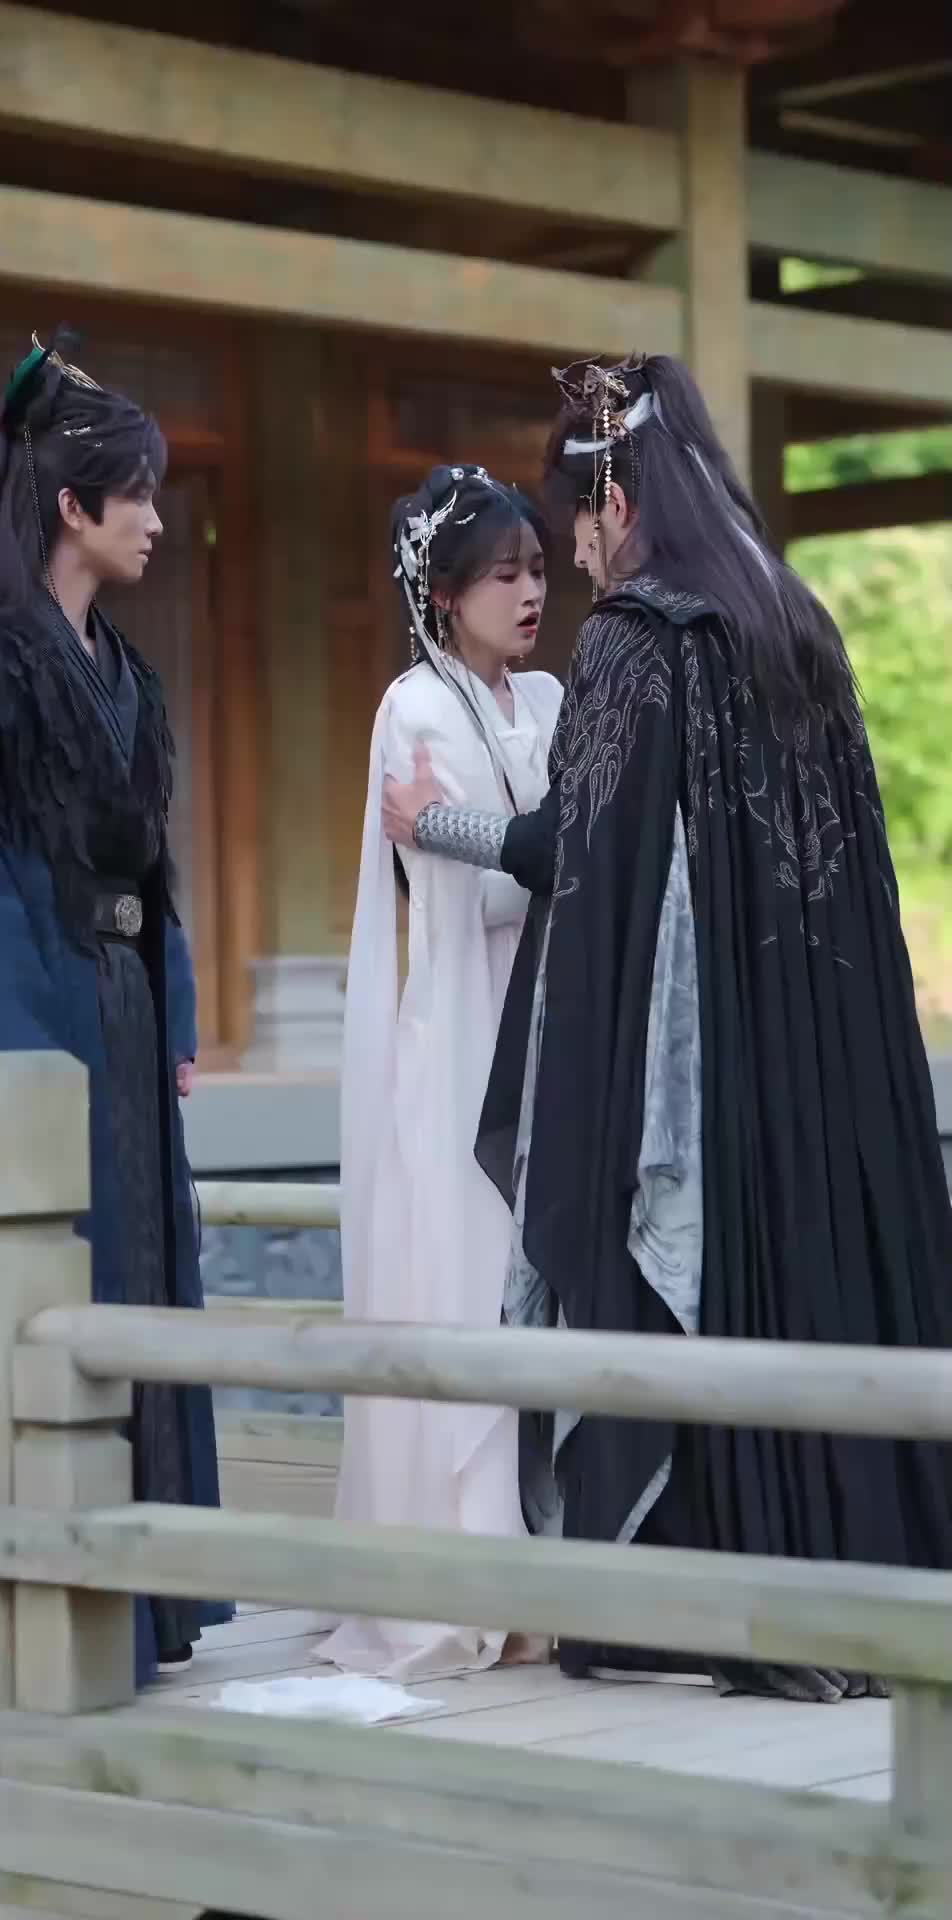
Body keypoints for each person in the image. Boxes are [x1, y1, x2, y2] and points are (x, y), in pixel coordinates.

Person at [382, 355, 952, 1704]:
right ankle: (869, 1574)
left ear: (617, 502)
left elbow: (577, 849)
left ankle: (714, 1593)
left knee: (701, 1270)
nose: (574, 561)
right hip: (824, 1041)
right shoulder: (795, 621)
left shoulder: (639, 639)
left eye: (575, 528)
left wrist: (437, 824)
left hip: (712, 1057)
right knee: (816, 1284)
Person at [0, 328, 231, 1684]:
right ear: (72, 507)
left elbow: (151, 870)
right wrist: (17, 1075)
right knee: (63, 1277)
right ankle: (61, 1605)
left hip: (124, 1018)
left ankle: (150, 1594)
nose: (156, 520)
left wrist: (171, 1008)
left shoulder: (122, 672)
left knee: (144, 1271)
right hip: (47, 1023)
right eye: (135, 495)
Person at [316, 464, 562, 1681]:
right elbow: (492, 891)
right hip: (462, 1031)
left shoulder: (554, 698)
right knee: (464, 1278)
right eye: (504, 574)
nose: (530, 593)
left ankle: (547, 1572)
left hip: (549, 1021)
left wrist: (515, 848)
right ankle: (467, 1582)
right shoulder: (411, 707)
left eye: (538, 570)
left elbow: (566, 853)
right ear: (445, 592)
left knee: (542, 1289)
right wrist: (533, 854)